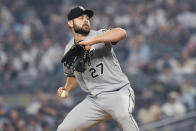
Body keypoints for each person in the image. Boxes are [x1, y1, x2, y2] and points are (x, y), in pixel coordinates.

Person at [57, 6, 139, 131]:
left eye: (87, 17)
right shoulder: (69, 49)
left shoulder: (99, 35)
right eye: (80, 17)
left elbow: (121, 33)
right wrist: (67, 89)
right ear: (70, 23)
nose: (85, 20)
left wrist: (92, 41)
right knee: (64, 129)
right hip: (96, 100)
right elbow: (73, 76)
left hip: (118, 92)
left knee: (124, 115)